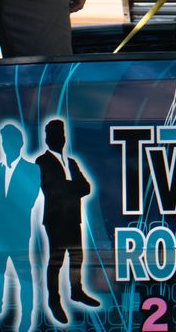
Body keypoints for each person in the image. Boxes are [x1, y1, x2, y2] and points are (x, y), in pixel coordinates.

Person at [0, 124, 41, 332]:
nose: (6, 146)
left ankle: (27, 317)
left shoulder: (32, 169)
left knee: (24, 277)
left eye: (10, 142)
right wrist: (5, 204)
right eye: (4, 142)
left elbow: (27, 200)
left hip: (19, 234)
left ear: (20, 144)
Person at [35, 118, 101, 320]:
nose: (60, 138)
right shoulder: (42, 161)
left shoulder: (71, 162)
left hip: (73, 218)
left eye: (62, 134)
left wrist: (66, 187)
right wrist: (71, 187)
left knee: (76, 258)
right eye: (56, 135)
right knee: (56, 261)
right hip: (55, 219)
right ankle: (54, 300)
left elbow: (86, 187)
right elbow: (53, 188)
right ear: (47, 138)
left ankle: (76, 291)